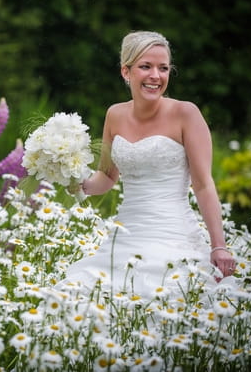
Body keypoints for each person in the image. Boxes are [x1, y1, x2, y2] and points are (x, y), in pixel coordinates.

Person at [58, 31, 236, 297]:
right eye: (145, 66)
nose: (156, 75)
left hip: (172, 235)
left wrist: (218, 246)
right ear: (125, 72)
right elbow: (106, 177)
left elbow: (203, 185)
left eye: (163, 68)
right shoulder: (114, 114)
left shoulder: (186, 114)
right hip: (125, 235)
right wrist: (73, 178)